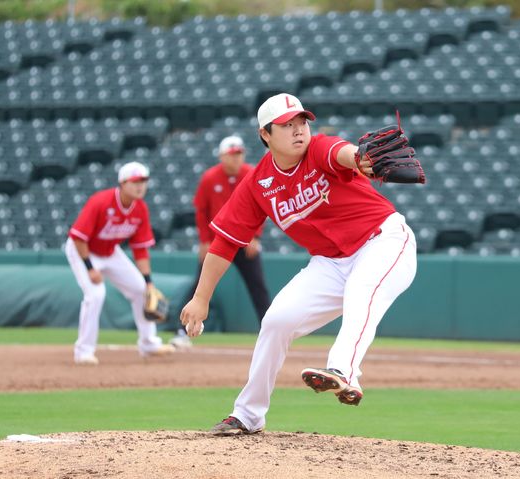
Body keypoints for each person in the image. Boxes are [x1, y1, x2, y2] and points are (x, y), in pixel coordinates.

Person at [180, 93, 417, 435]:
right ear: (265, 134)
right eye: (286, 125)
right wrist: (201, 298)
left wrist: (359, 158)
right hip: (331, 263)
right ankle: (248, 414)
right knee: (277, 320)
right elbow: (226, 241)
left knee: (362, 291)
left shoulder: (318, 149)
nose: (298, 130)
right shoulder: (257, 184)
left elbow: (343, 152)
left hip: (384, 242)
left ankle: (343, 371)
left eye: (302, 121)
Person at [65, 161, 175, 365]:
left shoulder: (140, 209)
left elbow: (140, 249)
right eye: (135, 181)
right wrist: (90, 269)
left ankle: (149, 344)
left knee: (141, 290)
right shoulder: (101, 202)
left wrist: (149, 281)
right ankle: (84, 352)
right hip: (83, 250)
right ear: (122, 183)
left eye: (143, 181)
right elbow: (79, 237)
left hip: (110, 251)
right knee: (96, 295)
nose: (140, 185)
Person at [170, 135, 271, 348]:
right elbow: (201, 211)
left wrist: (256, 236)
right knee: (200, 286)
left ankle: (271, 333)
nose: (236, 158)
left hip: (245, 242)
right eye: (232, 154)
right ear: (222, 156)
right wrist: (204, 241)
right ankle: (182, 331)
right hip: (219, 244)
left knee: (258, 288)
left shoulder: (250, 173)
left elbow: (264, 205)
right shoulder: (210, 178)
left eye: (239, 154)